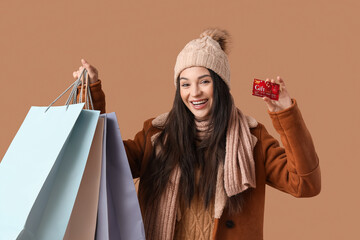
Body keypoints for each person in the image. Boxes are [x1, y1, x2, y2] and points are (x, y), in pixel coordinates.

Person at [73, 28, 321, 240]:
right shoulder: (157, 135)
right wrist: (91, 95)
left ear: (220, 85)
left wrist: (286, 115)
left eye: (204, 81)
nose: (194, 93)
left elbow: (306, 184)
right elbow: (105, 162)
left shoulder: (251, 138)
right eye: (185, 84)